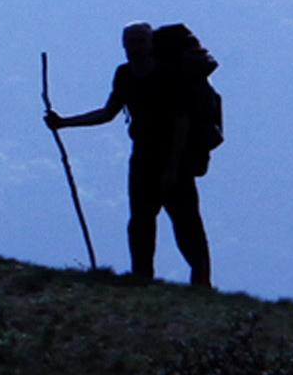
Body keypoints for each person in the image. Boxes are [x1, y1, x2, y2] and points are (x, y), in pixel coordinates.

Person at [48, 22, 218, 288]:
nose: (132, 47)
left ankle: (201, 282)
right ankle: (142, 278)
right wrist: (64, 122)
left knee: (186, 224)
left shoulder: (170, 74)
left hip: (175, 158)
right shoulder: (125, 75)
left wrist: (173, 168)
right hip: (143, 156)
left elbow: (182, 122)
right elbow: (108, 113)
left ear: (150, 44)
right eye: (128, 42)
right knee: (141, 221)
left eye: (139, 41)